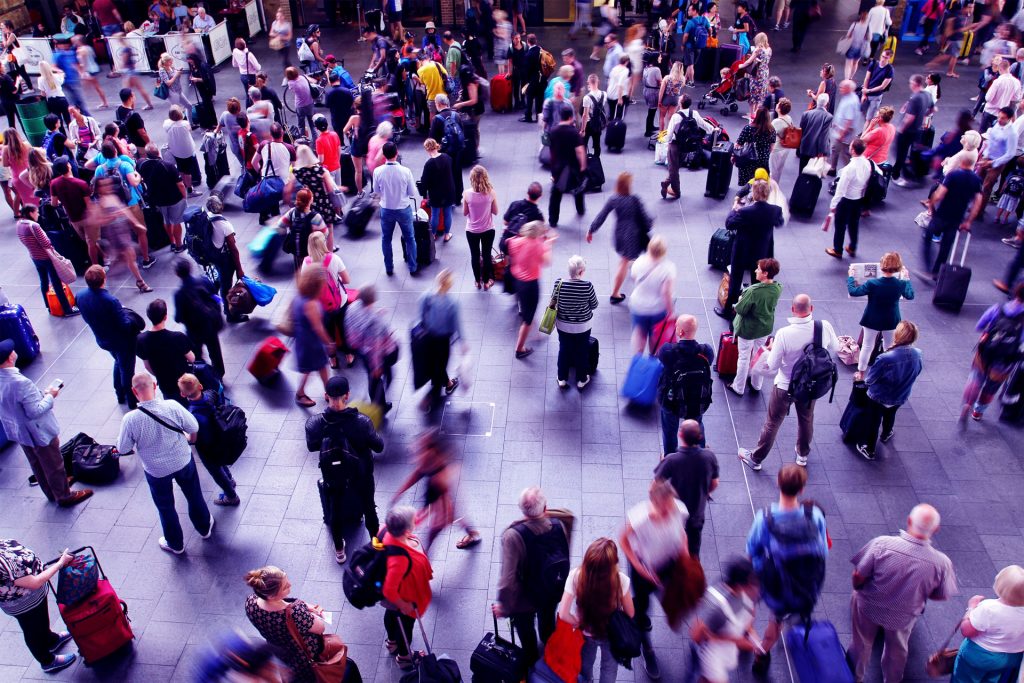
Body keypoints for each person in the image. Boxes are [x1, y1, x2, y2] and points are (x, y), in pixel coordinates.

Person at [849, 504, 957, 682]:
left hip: (868, 607)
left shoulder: (882, 544)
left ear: (909, 521)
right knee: (897, 651)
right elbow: (940, 595)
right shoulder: (942, 563)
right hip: (903, 616)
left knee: (861, 643)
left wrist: (858, 588)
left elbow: (858, 575)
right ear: (936, 529)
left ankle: (854, 676)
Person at [738, 294, 840, 471]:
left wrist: (769, 350)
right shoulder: (824, 326)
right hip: (810, 385)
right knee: (806, 419)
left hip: (785, 386)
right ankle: (802, 454)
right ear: (812, 308)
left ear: (793, 310)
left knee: (772, 422)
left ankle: (756, 458)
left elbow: (773, 365)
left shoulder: (784, 334)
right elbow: (836, 348)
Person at [745, 464, 828, 674]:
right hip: (799, 583)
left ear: (778, 484)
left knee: (750, 601)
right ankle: (762, 652)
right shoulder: (814, 515)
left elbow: (752, 550)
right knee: (777, 620)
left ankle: (746, 627)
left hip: (769, 579)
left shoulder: (765, 518)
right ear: (802, 489)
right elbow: (823, 550)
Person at [117, 371, 212, 554]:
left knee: (165, 506)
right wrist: (189, 439)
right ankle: (204, 528)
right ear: (154, 385)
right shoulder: (172, 406)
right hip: (182, 459)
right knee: (194, 494)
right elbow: (193, 427)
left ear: (133, 391)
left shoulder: (130, 419)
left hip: (156, 470)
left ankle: (175, 544)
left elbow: (122, 449)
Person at [0, 339, 92, 506]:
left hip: (18, 431)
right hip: (37, 432)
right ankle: (64, 496)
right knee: (54, 464)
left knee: (36, 464)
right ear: (9, 358)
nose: (14, 351)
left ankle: (51, 491)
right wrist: (50, 395)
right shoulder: (20, 383)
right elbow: (35, 411)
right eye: (11, 350)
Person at [304, 375, 384, 562]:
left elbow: (311, 446)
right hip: (361, 473)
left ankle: (339, 548)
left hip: (333, 475)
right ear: (347, 395)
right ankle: (376, 543)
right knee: (369, 507)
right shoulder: (362, 422)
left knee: (335, 509)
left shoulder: (314, 423)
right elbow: (379, 446)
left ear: (326, 396)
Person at [619, 478, 689, 679]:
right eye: (665, 508)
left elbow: (682, 534)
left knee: (671, 597)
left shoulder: (679, 510)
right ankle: (646, 647)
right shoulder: (640, 518)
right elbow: (623, 541)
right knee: (641, 609)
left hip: (669, 565)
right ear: (654, 503)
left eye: (671, 505)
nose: (669, 512)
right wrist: (640, 569)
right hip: (644, 570)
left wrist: (685, 553)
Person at [556, 537, 634, 683]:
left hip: (586, 633)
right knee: (609, 668)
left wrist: (577, 621)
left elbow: (563, 613)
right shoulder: (621, 580)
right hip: (611, 635)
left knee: (585, 666)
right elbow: (630, 613)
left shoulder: (576, 576)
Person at [0, 541, 78, 673]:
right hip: (24, 603)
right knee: (32, 630)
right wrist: (60, 563)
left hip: (32, 598)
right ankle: (47, 661)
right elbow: (34, 583)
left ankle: (50, 640)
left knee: (40, 621)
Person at [243, 566, 332, 682]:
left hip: (280, 649)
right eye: (285, 587)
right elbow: (320, 627)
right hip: (304, 653)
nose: (290, 584)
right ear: (271, 596)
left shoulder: (251, 602)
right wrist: (308, 612)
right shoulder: (294, 613)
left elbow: (282, 602)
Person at [854, 320, 923, 458]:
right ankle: (886, 433)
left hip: (879, 396)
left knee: (874, 421)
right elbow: (918, 371)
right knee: (890, 414)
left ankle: (869, 449)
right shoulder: (917, 353)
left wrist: (858, 379)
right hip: (900, 395)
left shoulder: (885, 358)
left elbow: (870, 380)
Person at [77, 265, 142, 407]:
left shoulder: (80, 296)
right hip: (121, 341)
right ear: (103, 280)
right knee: (127, 370)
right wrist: (130, 317)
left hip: (103, 338)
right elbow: (124, 325)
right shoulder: (110, 301)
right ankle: (132, 400)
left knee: (119, 362)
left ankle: (119, 393)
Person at [378, 506, 434, 670]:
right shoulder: (400, 558)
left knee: (390, 615)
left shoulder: (384, 530)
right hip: (402, 595)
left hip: (387, 588)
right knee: (405, 625)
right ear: (407, 529)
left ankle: (392, 642)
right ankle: (404, 657)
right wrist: (404, 605)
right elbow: (390, 590)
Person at [689, 557, 761, 683]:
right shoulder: (720, 609)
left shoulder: (733, 590)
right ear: (741, 585)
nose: (754, 586)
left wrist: (751, 636)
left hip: (722, 648)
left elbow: (748, 622)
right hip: (711, 653)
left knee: (703, 679)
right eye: (750, 582)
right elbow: (695, 635)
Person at [654, 419, 718, 558]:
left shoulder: (671, 460)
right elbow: (714, 483)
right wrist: (704, 491)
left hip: (674, 513)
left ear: (680, 435)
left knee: (669, 548)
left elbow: (655, 484)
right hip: (696, 514)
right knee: (693, 551)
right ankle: (692, 569)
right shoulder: (709, 457)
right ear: (700, 437)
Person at [716, 179, 781, 318]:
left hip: (742, 250)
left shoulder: (745, 212)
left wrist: (735, 208)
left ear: (754, 194)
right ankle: (753, 309)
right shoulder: (775, 210)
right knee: (757, 281)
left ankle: (729, 310)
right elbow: (779, 222)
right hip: (762, 251)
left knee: (736, 279)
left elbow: (729, 224)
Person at [960, 284, 1024, 423]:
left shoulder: (998, 308)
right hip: (1006, 359)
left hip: (986, 351)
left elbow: (980, 325)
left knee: (976, 378)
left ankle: (967, 403)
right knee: (991, 387)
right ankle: (978, 412)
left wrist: (989, 334)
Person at [951, 565, 1024, 683]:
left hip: (980, 655)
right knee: (992, 678)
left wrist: (971, 608)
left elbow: (967, 631)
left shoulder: (989, 608)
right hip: (1010, 657)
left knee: (965, 678)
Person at [588, 172, 652, 304]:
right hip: (632, 235)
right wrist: (650, 223)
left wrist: (591, 230)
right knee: (624, 262)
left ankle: (631, 263)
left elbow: (602, 216)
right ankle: (615, 293)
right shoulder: (634, 199)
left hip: (619, 233)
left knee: (625, 258)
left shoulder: (614, 199)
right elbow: (645, 219)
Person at [177, 372, 239, 507]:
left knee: (216, 471)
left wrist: (183, 433)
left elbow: (193, 439)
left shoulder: (192, 414)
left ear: (183, 394)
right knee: (221, 462)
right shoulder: (210, 395)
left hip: (207, 448)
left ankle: (231, 496)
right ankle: (230, 480)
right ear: (200, 386)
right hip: (220, 438)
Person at [846, 251, 914, 373]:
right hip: (891, 320)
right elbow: (910, 295)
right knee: (889, 347)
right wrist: (907, 278)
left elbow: (853, 292)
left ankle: (861, 372)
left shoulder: (872, 283)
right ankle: (886, 370)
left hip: (871, 318)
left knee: (867, 346)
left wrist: (851, 277)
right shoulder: (901, 284)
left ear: (882, 266)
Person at [657, 314, 715, 453]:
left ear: (680, 331)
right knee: (697, 424)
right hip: (697, 399)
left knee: (670, 429)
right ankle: (700, 450)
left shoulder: (668, 350)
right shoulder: (706, 351)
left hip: (672, 400)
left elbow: (662, 361)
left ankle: (670, 455)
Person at [920, 153, 983, 280]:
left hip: (943, 214)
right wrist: (968, 221)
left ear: (962, 162)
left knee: (928, 236)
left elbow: (939, 195)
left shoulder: (953, 175)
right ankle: (936, 272)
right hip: (957, 218)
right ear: (972, 164)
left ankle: (927, 268)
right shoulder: (976, 180)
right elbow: (977, 203)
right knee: (946, 246)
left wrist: (931, 206)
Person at [729, 258, 783, 397]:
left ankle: (738, 387)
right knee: (759, 355)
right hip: (764, 327)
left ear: (765, 273)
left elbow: (740, 309)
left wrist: (740, 301)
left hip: (748, 329)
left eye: (758, 269)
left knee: (744, 357)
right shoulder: (777, 288)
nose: (755, 271)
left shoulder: (753, 291)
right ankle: (756, 384)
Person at [15, 204, 78, 316]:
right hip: (46, 257)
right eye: (36, 212)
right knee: (56, 283)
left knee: (44, 282)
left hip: (34, 257)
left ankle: (49, 306)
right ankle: (67, 310)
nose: (38, 214)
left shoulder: (19, 224)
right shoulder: (34, 226)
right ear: (30, 213)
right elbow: (46, 243)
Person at [547, 255, 599, 389]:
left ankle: (562, 378)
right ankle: (582, 379)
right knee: (582, 351)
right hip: (583, 327)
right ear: (581, 272)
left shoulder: (559, 283)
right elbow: (594, 305)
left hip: (563, 326)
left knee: (564, 349)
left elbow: (553, 301)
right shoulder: (587, 286)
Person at [416, 269, 465, 409]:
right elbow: (456, 325)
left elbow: (421, 317)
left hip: (427, 337)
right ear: (449, 285)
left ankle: (448, 383)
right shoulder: (452, 303)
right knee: (441, 364)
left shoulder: (426, 296)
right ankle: (431, 398)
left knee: (434, 363)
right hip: (443, 340)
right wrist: (462, 342)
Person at [344, 286, 399, 409]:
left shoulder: (352, 307)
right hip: (376, 352)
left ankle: (379, 399)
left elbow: (350, 328)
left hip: (360, 349)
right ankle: (380, 405)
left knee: (372, 374)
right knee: (374, 376)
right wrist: (377, 367)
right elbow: (376, 347)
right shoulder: (374, 322)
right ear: (372, 300)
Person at [507, 221, 555, 360]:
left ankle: (535, 331)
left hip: (517, 280)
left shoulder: (515, 241)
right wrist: (548, 245)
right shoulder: (538, 245)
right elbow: (547, 262)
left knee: (527, 308)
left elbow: (510, 245)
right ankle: (519, 348)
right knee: (527, 318)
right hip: (530, 285)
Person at [291, 265, 336, 408]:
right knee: (310, 368)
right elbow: (318, 327)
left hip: (304, 340)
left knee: (319, 366)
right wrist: (329, 343)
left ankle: (328, 391)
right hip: (311, 343)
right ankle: (300, 393)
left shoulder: (300, 297)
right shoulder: (310, 304)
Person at [136, 298, 194, 405]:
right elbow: (192, 358)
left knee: (172, 405)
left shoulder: (141, 340)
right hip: (183, 380)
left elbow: (147, 366)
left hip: (165, 383)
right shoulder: (177, 337)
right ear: (165, 317)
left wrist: (160, 374)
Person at [374, 141, 418, 277]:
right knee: (410, 238)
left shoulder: (378, 171)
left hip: (386, 208)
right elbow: (412, 193)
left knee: (386, 239)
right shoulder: (405, 171)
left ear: (383, 155)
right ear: (396, 153)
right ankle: (412, 267)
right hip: (403, 208)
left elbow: (376, 190)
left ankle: (389, 267)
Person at [661, 95, 717, 199]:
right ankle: (666, 183)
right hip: (688, 145)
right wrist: (713, 129)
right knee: (677, 166)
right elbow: (703, 124)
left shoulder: (676, 116)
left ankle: (676, 192)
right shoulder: (694, 113)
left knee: (673, 169)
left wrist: (665, 143)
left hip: (675, 144)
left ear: (680, 103)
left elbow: (669, 135)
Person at [628, 236, 676, 355]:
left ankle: (637, 360)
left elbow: (634, 279)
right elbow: (666, 292)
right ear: (664, 251)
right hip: (658, 309)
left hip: (638, 305)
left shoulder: (639, 262)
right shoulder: (668, 268)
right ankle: (652, 361)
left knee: (639, 334)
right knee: (655, 337)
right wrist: (671, 311)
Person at [825, 138, 872, 258]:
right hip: (858, 199)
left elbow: (840, 190)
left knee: (840, 225)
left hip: (846, 200)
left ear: (852, 150)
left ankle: (837, 249)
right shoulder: (867, 163)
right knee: (854, 224)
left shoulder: (848, 169)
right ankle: (852, 247)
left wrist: (833, 205)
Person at [890, 75, 934, 186]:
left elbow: (909, 118)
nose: (909, 85)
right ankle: (909, 172)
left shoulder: (915, 98)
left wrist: (900, 129)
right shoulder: (927, 95)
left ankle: (896, 175)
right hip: (917, 130)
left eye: (910, 83)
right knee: (910, 151)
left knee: (901, 153)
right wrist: (923, 115)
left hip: (907, 131)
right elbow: (933, 109)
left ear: (915, 83)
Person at [547, 107, 587, 228]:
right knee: (578, 189)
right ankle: (580, 209)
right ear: (570, 117)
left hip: (557, 167)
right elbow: (580, 151)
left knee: (555, 194)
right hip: (572, 167)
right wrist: (583, 166)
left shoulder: (553, 131)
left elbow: (551, 148)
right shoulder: (574, 132)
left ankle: (553, 220)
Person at [462, 165, 498, 289]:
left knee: (475, 255)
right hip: (488, 229)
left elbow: (465, 213)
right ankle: (487, 282)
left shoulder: (467, 194)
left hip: (472, 230)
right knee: (487, 255)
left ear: (472, 178)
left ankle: (477, 281)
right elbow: (495, 211)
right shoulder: (491, 193)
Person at [420, 138, 457, 242]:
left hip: (435, 193)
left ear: (427, 149)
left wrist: (423, 191)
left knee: (435, 214)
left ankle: (433, 234)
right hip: (449, 191)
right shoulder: (447, 157)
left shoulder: (429, 164)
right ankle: (446, 235)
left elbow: (425, 181)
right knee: (447, 213)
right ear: (436, 145)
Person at [735, 106, 777, 186]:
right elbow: (772, 147)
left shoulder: (748, 128)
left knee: (748, 182)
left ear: (757, 115)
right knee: (760, 181)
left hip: (748, 158)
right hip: (763, 159)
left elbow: (738, 144)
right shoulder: (771, 129)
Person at [797, 94, 833, 171]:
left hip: (804, 147)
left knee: (802, 172)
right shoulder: (828, 117)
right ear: (826, 103)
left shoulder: (806, 114)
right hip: (816, 151)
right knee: (813, 174)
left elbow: (801, 129)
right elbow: (823, 136)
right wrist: (821, 152)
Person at [860, 50, 894, 125]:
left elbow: (882, 87)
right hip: (867, 93)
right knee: (863, 112)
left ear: (889, 58)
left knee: (869, 118)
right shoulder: (874, 63)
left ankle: (864, 135)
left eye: (885, 57)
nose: (883, 59)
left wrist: (868, 91)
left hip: (876, 96)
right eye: (882, 56)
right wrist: (864, 94)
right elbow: (867, 78)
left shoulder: (890, 70)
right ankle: (867, 130)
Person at [521, 34, 545, 123]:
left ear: (528, 42)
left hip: (533, 79)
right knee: (539, 98)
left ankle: (528, 116)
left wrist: (526, 81)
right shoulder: (541, 50)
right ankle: (539, 117)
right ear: (536, 41)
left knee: (530, 97)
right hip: (542, 79)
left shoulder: (528, 55)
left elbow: (527, 70)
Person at [232, 38, 261, 107]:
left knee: (248, 94)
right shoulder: (249, 54)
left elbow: (234, 65)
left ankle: (248, 110)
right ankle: (255, 109)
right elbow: (258, 67)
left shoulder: (235, 52)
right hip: (251, 76)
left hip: (243, 76)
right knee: (254, 95)